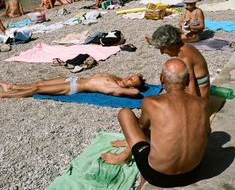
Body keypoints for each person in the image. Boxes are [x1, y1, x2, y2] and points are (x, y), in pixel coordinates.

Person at [102, 58, 210, 188]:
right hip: (193, 173)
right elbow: (207, 132)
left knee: (125, 113)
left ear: (161, 78)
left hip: (157, 176)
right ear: (187, 80)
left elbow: (141, 127)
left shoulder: (151, 102)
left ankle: (124, 157)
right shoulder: (203, 103)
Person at [146, 24, 210, 98]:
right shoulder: (187, 47)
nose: (162, 52)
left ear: (171, 45)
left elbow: (192, 94)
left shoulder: (185, 59)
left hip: (201, 99)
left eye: (162, 48)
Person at [0, 73, 145, 99]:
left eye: (132, 80)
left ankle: (5, 95)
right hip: (73, 79)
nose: (129, 78)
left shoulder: (117, 89)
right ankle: (11, 86)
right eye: (131, 76)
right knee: (40, 82)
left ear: (131, 87)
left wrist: (132, 88)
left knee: (37, 90)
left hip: (72, 88)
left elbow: (136, 93)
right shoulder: (117, 79)